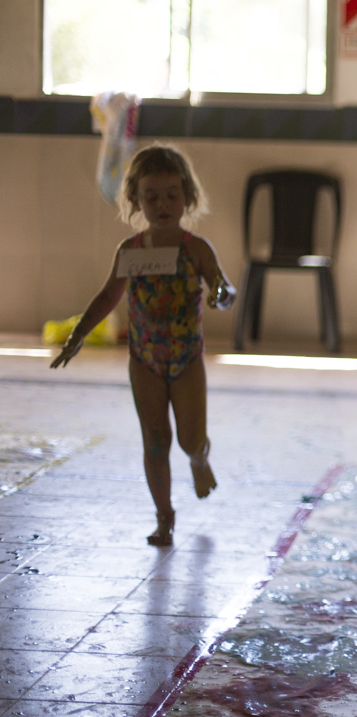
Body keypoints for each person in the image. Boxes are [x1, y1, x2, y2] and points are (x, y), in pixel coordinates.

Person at [50, 144, 236, 547]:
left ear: (187, 196)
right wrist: (78, 334)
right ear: (136, 200)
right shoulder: (130, 252)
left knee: (189, 439)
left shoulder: (196, 249)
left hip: (186, 360)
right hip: (145, 361)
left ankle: (199, 459)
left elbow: (224, 288)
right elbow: (108, 296)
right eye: (151, 196)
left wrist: (221, 294)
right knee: (155, 441)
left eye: (171, 194)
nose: (162, 204)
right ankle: (164, 516)